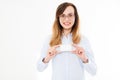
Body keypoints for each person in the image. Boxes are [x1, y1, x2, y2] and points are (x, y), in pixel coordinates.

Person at [37, 2, 97, 80]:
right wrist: (47, 58)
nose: (67, 19)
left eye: (70, 15)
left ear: (75, 17)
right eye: (63, 15)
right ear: (58, 18)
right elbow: (39, 68)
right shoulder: (50, 39)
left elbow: (93, 71)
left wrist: (84, 58)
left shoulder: (83, 40)